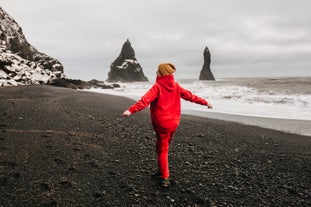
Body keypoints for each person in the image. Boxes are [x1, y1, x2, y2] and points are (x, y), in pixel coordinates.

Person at [122, 63, 212, 188]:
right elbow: (190, 96)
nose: (156, 72)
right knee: (162, 146)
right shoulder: (176, 86)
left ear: (161, 73)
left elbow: (145, 100)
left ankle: (164, 177)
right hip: (174, 123)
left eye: (157, 71)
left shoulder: (157, 87)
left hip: (161, 124)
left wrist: (130, 110)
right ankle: (161, 170)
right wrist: (205, 102)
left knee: (162, 150)